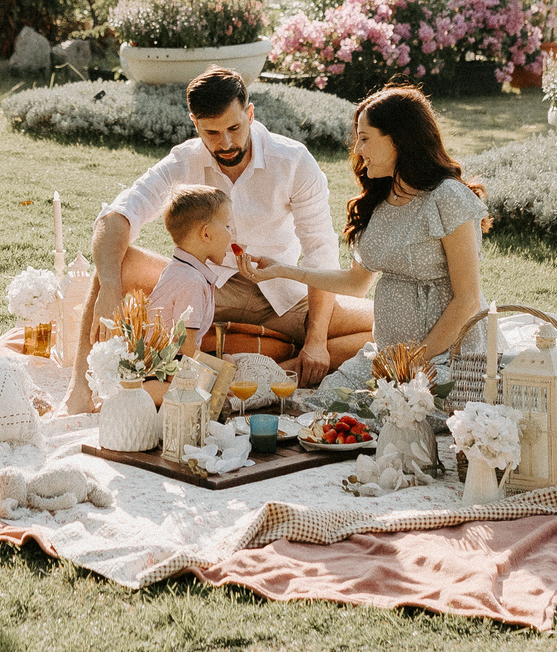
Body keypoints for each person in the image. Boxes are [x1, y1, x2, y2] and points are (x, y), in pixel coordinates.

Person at [78, 68, 370, 410]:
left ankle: (273, 372)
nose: (226, 143)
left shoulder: (292, 160)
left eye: (234, 128)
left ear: (249, 113)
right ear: (195, 123)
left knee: (385, 328)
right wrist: (111, 286)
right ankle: (79, 391)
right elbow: (116, 216)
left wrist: (318, 340)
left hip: (283, 294)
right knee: (114, 263)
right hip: (204, 288)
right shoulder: (184, 159)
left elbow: (321, 251)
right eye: (212, 132)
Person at [243, 84, 487, 380]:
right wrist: (284, 270)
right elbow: (356, 283)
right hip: (390, 356)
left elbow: (468, 299)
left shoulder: (446, 197)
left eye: (365, 139)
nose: (358, 150)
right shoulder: (380, 201)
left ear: (398, 139)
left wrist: (414, 363)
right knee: (333, 405)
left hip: (444, 356)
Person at [144, 184, 233, 356]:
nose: (231, 234)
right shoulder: (192, 282)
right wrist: (221, 367)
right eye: (227, 226)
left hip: (165, 359)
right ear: (206, 234)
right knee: (231, 365)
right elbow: (188, 350)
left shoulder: (180, 269)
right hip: (162, 367)